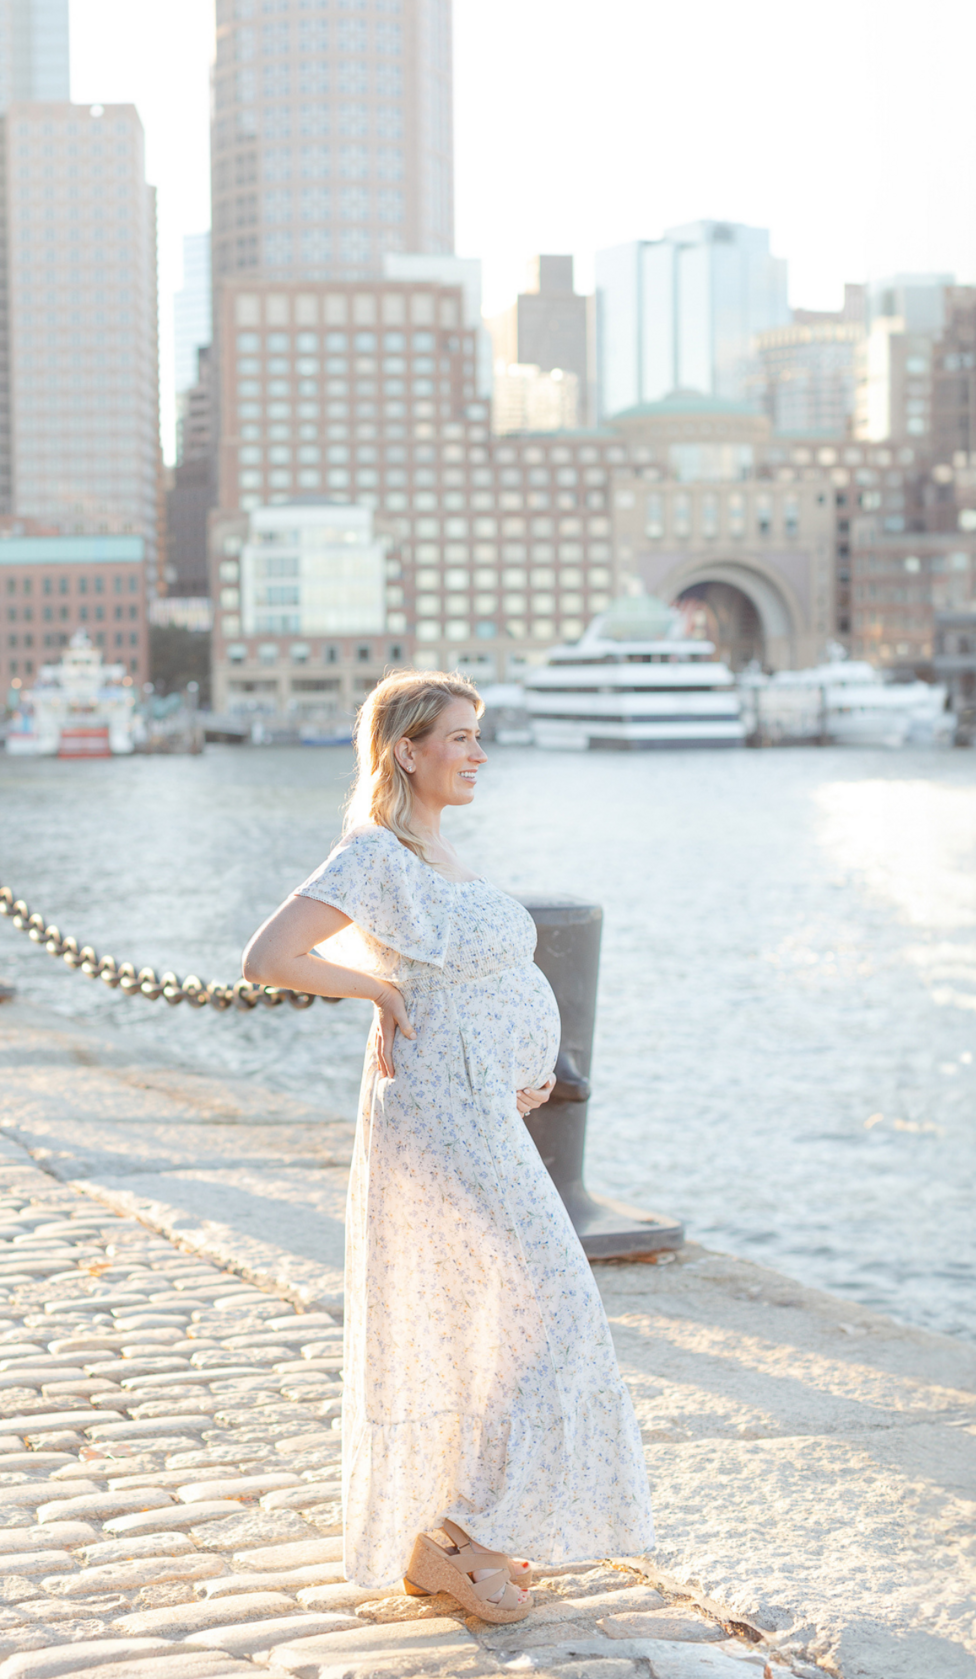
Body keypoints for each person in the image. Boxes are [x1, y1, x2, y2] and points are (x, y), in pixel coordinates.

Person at [242, 669, 654, 1624]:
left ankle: (462, 1535)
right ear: (406, 750)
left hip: (484, 1108)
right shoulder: (373, 855)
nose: (477, 752)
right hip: (439, 1114)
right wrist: (377, 992)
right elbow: (269, 958)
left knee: (505, 1316)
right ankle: (461, 1536)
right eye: (460, 736)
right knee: (550, 1304)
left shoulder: (443, 853)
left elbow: (482, 976)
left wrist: (528, 1061)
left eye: (479, 735)